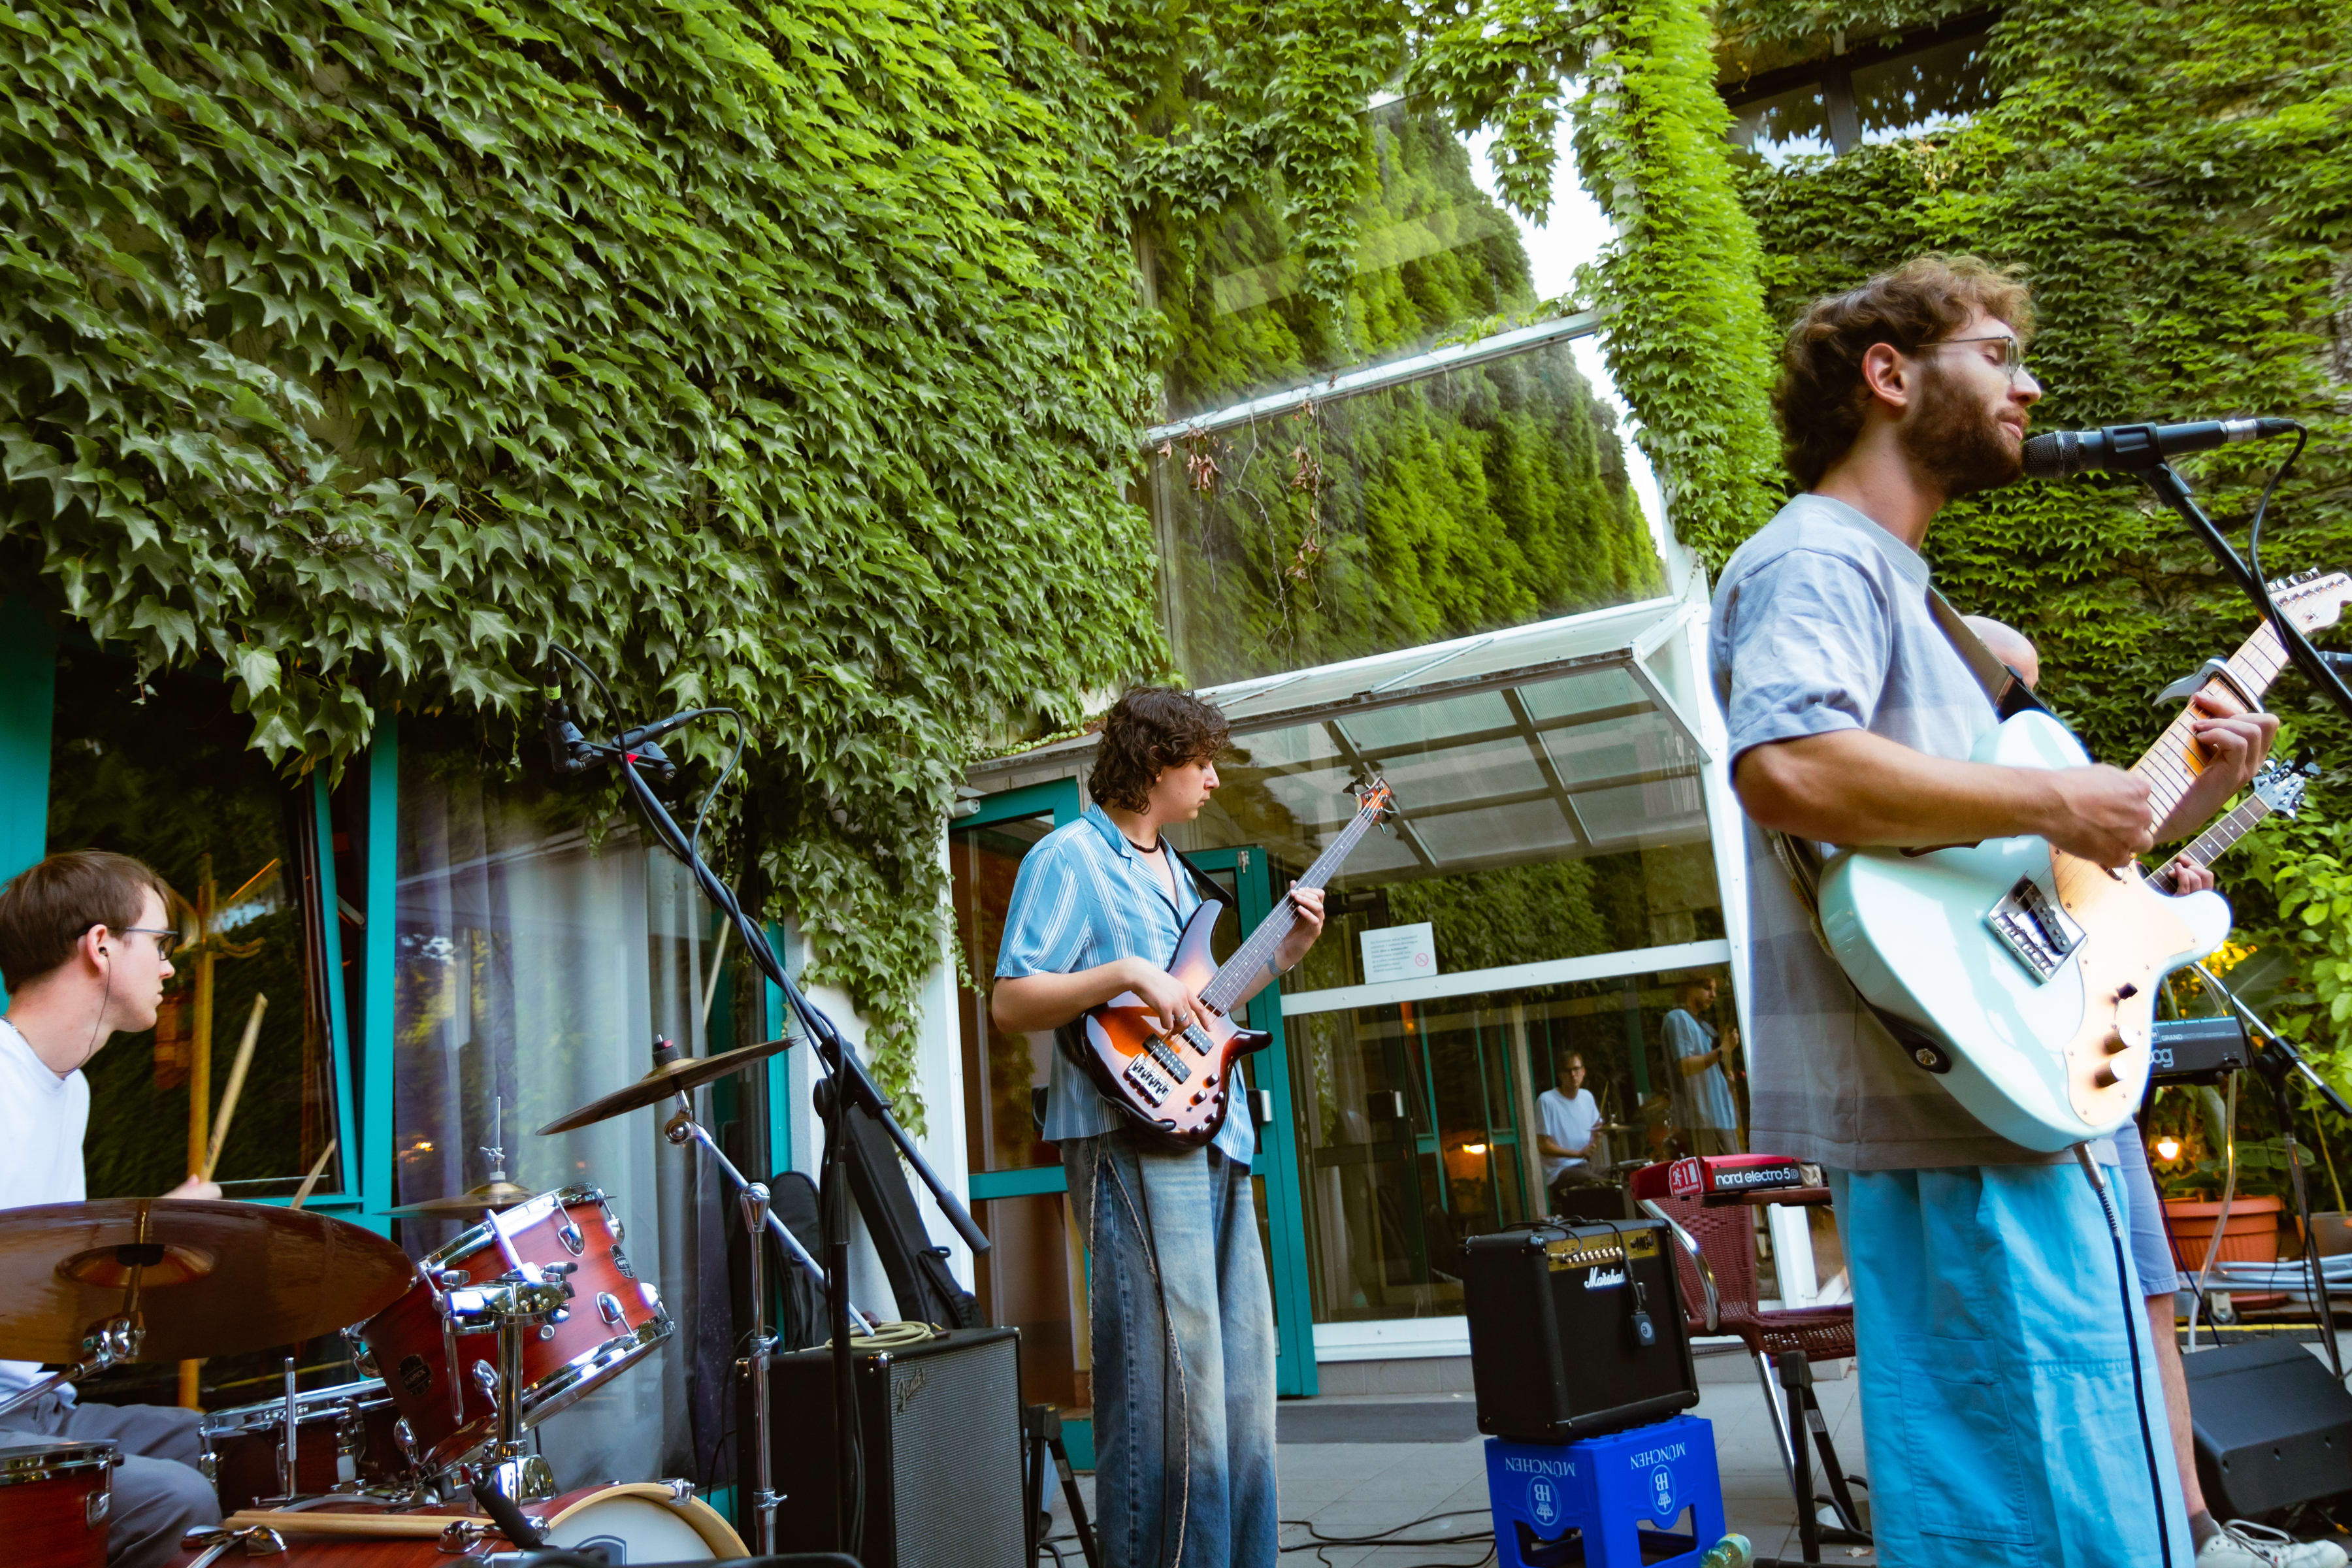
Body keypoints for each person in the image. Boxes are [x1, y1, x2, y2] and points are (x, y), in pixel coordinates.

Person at [1712, 254, 2279, 1568]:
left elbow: (2035, 883)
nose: (2028, 385)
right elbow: (1789, 768)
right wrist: (2049, 806)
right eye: (1996, 352)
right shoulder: (1816, 560)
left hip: (2010, 1095)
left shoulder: (1916, 600)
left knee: (2091, 1506)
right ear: (1891, 375)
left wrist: (2187, 792)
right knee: (2031, 1519)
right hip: (1951, 1115)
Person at [1965, 617, 2343, 1568]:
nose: (2024, 698)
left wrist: (2167, 883)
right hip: (2014, 1074)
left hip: (2097, 1066)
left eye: (2031, 681)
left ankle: (2199, 1536)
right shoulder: (1953, 785)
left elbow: (2094, 914)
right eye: (2011, 679)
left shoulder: (2050, 780)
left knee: (2154, 1298)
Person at [990, 687, 1326, 1568]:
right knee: (1168, 1390)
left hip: (1216, 1135)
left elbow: (1196, 1016)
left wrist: (1280, 959)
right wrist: (1127, 970)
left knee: (1242, 1391)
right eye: (1200, 761)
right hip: (1127, 1142)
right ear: (1151, 765)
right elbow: (1012, 1001)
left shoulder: (1181, 875)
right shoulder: (1067, 858)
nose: (1214, 777)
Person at [0, 850, 223, 1568]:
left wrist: (151, 1233)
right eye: (159, 945)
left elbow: (45, 1262)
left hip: (40, 1404)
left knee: (216, 1446)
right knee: (175, 1500)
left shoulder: (71, 1090)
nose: (168, 969)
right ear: (100, 946)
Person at [1661, 977, 1739, 1156]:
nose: (1713, 995)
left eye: (1715, 990)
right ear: (1689, 987)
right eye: (1707, 988)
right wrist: (1722, 1050)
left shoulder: (1697, 1023)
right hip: (1705, 1119)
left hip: (1719, 1117)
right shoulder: (1678, 1018)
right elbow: (1685, 1066)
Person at [1536, 1051, 1603, 1197]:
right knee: (1600, 1183)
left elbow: (1597, 1128)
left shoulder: (1587, 1097)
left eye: (1577, 1069)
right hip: (1560, 1171)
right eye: (1568, 1071)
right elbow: (1543, 1145)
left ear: (1583, 1072)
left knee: (1618, 1176)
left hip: (1584, 1166)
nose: (1573, 1075)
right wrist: (1578, 1153)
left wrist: (1594, 1143)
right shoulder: (1547, 1100)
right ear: (1560, 1075)